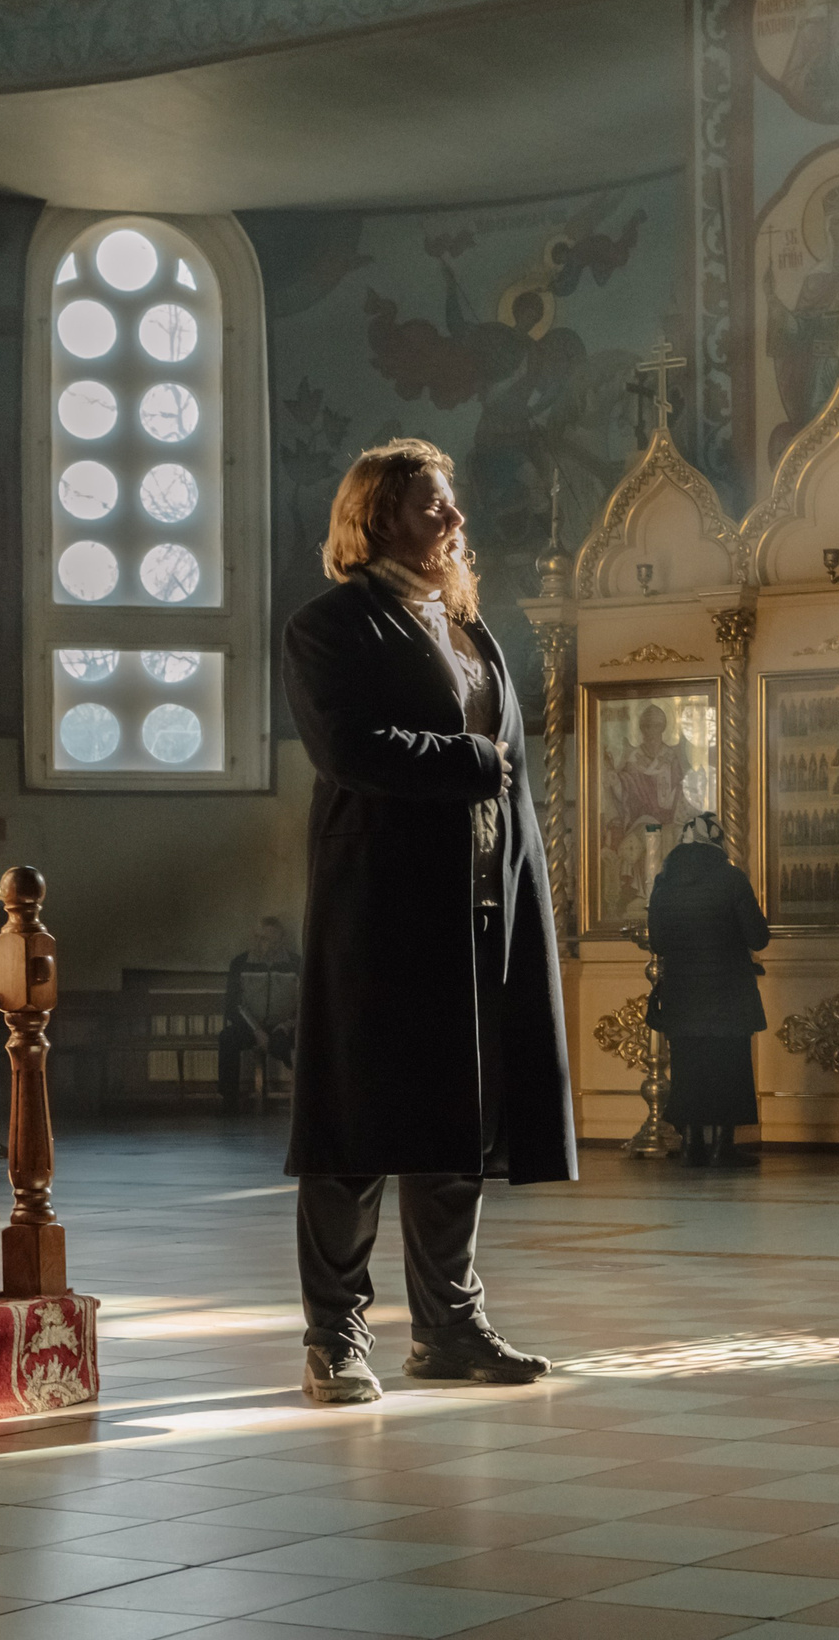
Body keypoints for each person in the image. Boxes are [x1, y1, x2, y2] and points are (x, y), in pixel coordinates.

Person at [281, 439, 576, 1405]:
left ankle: (450, 1328)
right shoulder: (331, 626)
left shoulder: (468, 630)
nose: (452, 520)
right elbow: (349, 750)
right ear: (376, 521)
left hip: (479, 909)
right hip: (381, 915)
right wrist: (468, 764)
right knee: (357, 1134)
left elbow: (509, 771)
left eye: (450, 505)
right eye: (430, 507)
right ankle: (336, 1337)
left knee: (459, 1129)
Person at [647, 812, 770, 1170]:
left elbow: (657, 941)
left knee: (688, 1071)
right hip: (727, 993)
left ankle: (690, 1148)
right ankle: (722, 1148)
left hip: (682, 995)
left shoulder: (664, 882)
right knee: (728, 1068)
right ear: (717, 842)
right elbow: (757, 936)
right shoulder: (731, 878)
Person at [218, 917, 301, 1107]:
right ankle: (228, 1099)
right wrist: (256, 1031)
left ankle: (307, 1095)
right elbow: (233, 1004)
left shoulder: (296, 963)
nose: (259, 943)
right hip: (251, 1025)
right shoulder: (240, 963)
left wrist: (286, 1025)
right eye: (257, 937)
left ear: (280, 940)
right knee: (227, 1038)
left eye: (266, 939)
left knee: (299, 1041)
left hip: (284, 1026)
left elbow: (304, 1002)